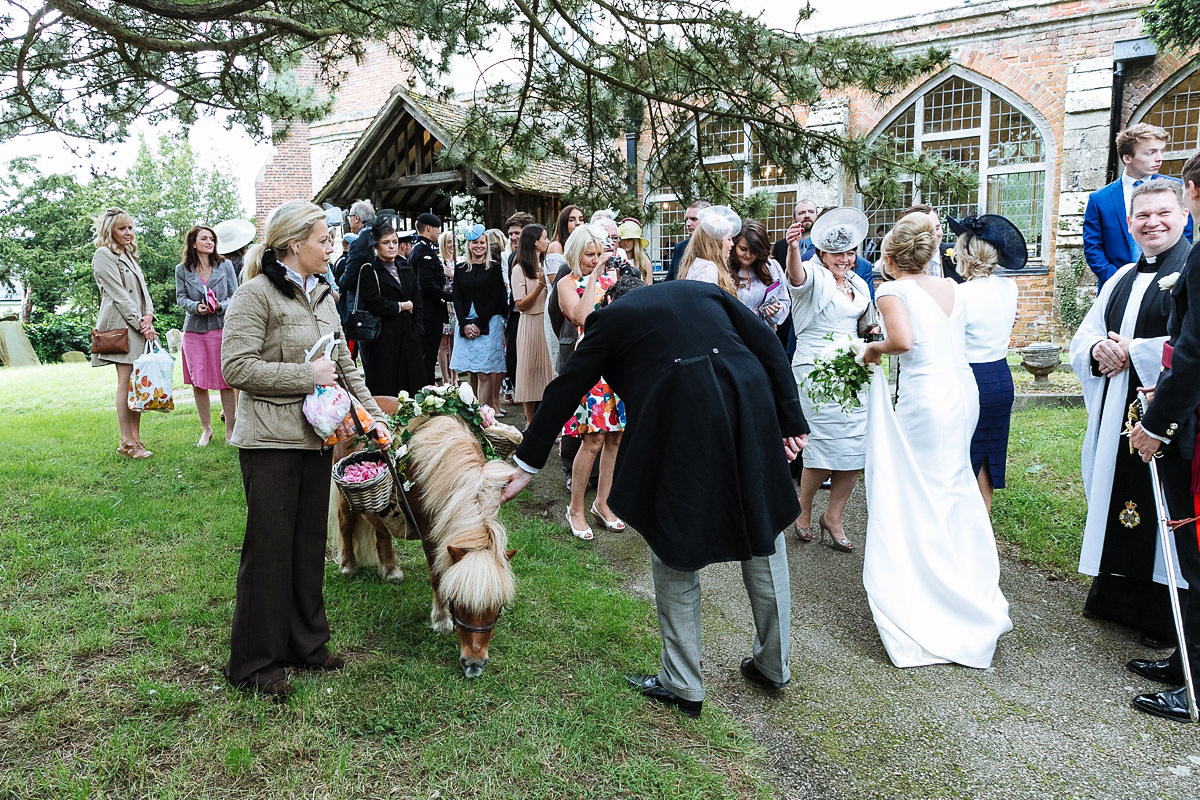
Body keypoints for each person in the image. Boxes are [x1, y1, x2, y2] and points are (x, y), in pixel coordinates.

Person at [500, 277, 809, 718]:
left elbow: (565, 388)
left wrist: (527, 465)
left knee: (672, 541)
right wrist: (791, 419)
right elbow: (769, 342)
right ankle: (773, 666)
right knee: (765, 530)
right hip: (749, 400)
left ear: (609, 299)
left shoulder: (607, 319)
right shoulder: (701, 290)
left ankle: (683, 683)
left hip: (680, 416)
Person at [220, 199, 389, 698]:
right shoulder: (254, 296)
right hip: (269, 442)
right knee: (269, 551)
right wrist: (303, 377)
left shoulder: (323, 297)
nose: (331, 244)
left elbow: (343, 365)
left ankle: (305, 645)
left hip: (317, 438)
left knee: (306, 544)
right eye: (323, 238)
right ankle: (254, 664)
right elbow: (236, 369)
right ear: (294, 244)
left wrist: (374, 418)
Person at [860, 212, 1013, 668]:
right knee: (954, 484)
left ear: (888, 258)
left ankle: (932, 590)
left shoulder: (890, 289)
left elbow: (903, 341)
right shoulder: (950, 286)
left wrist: (871, 349)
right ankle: (965, 577)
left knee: (922, 487)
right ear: (929, 254)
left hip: (927, 398)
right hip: (963, 391)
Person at [1069, 180, 1193, 647]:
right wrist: (1099, 347)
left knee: (1167, 506)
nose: (1152, 223)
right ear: (1129, 223)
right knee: (1118, 496)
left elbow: (1192, 347)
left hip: (1169, 419)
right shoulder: (1120, 277)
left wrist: (1135, 349)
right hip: (1117, 409)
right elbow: (1085, 338)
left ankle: (1167, 613)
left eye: (1163, 213)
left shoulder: (1192, 271)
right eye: (1142, 216)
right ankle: (1116, 596)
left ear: (1184, 216)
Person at [1127, 150, 1200, 723]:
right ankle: (1185, 661)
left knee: (1196, 554)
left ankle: (1195, 685)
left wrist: (1154, 424)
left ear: (1191, 199)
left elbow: (1194, 355)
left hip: (1193, 427)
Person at [784, 207, 873, 551]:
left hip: (853, 371)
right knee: (821, 447)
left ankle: (833, 517)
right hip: (816, 373)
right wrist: (793, 249)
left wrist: (874, 331)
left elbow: (864, 323)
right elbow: (796, 279)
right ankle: (803, 510)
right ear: (822, 252)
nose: (845, 259)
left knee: (853, 448)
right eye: (838, 253)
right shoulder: (812, 274)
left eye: (850, 252)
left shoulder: (859, 282)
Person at [951, 214, 1027, 512]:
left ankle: (960, 523)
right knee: (988, 454)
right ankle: (982, 519)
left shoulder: (959, 294)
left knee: (962, 452)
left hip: (970, 378)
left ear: (966, 254)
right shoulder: (1009, 288)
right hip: (1000, 377)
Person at [556, 223, 627, 538]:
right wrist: (595, 277)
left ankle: (603, 503)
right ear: (575, 254)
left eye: (600, 254)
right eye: (590, 255)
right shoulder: (566, 283)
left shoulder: (617, 278)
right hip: (590, 366)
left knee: (615, 438)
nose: (596, 259)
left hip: (618, 364)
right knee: (593, 439)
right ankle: (576, 509)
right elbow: (583, 318)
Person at [1084, 123, 1192, 287]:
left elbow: (1186, 235)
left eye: (1161, 151)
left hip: (1166, 285)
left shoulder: (1176, 188)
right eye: (1151, 152)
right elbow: (1093, 248)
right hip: (1115, 286)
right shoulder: (1099, 199)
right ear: (1127, 158)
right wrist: (1117, 280)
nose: (1159, 158)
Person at [91, 207, 158, 460]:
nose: (128, 232)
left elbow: (143, 291)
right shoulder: (103, 255)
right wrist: (141, 324)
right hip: (121, 326)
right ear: (111, 231)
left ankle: (135, 439)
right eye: (122, 228)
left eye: (130, 227)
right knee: (126, 381)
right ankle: (127, 441)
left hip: (139, 325)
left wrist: (149, 315)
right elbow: (119, 295)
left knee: (137, 383)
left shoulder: (129, 254)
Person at [175, 225, 239, 445]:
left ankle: (230, 430)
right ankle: (206, 430)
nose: (210, 242)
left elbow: (236, 296)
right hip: (194, 332)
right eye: (204, 238)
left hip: (221, 329)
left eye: (212, 238)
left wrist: (220, 305)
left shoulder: (226, 265)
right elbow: (180, 298)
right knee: (198, 382)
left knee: (226, 381)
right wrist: (195, 307)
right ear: (193, 243)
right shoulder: (182, 269)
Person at [357, 225, 424, 396]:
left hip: (408, 335)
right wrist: (400, 306)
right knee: (386, 384)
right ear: (375, 246)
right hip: (383, 338)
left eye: (395, 242)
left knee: (412, 384)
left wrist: (417, 329)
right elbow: (373, 301)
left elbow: (417, 299)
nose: (392, 246)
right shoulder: (369, 270)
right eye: (386, 242)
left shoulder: (404, 267)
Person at [451, 224, 508, 412]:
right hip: (465, 322)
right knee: (471, 372)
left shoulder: (494, 268)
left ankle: (483, 413)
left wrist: (479, 324)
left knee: (484, 373)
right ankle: (471, 409)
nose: (479, 246)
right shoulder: (460, 268)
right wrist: (465, 324)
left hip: (487, 322)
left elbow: (495, 298)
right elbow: (457, 297)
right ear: (468, 245)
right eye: (475, 242)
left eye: (482, 242)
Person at [510, 224, 557, 425]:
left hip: (547, 322)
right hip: (529, 322)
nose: (548, 241)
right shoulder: (519, 269)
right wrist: (540, 285)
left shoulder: (547, 264)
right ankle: (530, 422)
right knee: (528, 373)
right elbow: (520, 304)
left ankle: (549, 423)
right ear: (535, 242)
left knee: (549, 372)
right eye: (545, 238)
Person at [411, 213, 453, 387]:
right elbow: (426, 284)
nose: (438, 232)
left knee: (427, 355)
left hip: (429, 311)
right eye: (437, 228)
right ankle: (426, 388)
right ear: (429, 228)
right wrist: (450, 297)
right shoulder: (424, 251)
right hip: (429, 312)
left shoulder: (420, 249)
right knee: (427, 356)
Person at [732, 219, 790, 330]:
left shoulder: (772, 267)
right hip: (735, 336)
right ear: (734, 245)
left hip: (764, 336)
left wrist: (776, 310)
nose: (748, 255)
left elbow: (784, 301)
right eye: (743, 249)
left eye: (754, 250)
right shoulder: (724, 269)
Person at [678, 205, 739, 295]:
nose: (732, 244)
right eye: (729, 238)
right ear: (716, 242)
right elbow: (704, 305)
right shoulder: (708, 268)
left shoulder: (700, 264)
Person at [900, 204, 962, 282]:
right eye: (927, 231)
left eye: (937, 228)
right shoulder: (898, 266)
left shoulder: (959, 255)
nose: (935, 235)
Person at [666, 200, 711, 281]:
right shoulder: (680, 247)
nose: (688, 223)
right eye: (687, 219)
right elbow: (669, 281)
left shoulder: (720, 246)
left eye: (694, 219)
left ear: (707, 220)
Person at [437, 229, 458, 385]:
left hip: (457, 305)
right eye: (449, 242)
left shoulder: (461, 261)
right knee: (444, 344)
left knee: (455, 343)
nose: (452, 245)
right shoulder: (439, 261)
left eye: (454, 241)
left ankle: (455, 376)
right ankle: (446, 378)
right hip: (445, 304)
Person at [771, 199, 818, 266]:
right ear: (794, 219)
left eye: (811, 212)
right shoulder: (780, 247)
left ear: (817, 216)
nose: (807, 215)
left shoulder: (824, 244)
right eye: (801, 213)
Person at [616, 219, 654, 284]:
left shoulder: (645, 262)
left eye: (630, 239)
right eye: (623, 239)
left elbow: (649, 288)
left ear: (635, 241)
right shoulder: (615, 260)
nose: (626, 242)